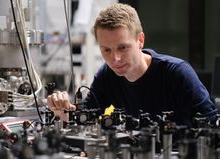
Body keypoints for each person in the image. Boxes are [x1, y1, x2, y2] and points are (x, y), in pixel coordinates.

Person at [47, 3, 218, 126]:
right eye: (106, 50)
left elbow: (213, 125)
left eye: (123, 47)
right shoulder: (107, 75)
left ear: (140, 40)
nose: (116, 59)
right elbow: (86, 115)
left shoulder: (177, 73)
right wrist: (63, 112)